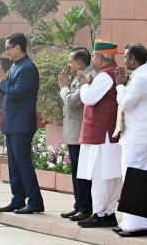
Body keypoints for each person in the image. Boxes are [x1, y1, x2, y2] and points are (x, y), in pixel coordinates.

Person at [0, 33, 44, 214]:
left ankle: (35, 201)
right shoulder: (15, 66)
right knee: (14, 164)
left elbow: (15, 93)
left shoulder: (28, 68)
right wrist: (3, 81)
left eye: (8, 48)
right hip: (12, 122)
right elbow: (7, 91)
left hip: (22, 124)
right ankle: (18, 199)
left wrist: (2, 80)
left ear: (17, 47)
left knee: (23, 163)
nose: (6, 51)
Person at [76, 39, 122, 228]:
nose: (93, 58)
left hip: (101, 134)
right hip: (109, 133)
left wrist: (83, 85)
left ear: (100, 58)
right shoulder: (113, 72)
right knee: (111, 176)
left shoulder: (105, 75)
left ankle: (100, 213)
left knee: (100, 175)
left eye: (94, 55)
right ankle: (109, 213)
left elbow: (89, 98)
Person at [113, 43, 147, 237]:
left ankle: (135, 224)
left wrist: (119, 85)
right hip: (136, 135)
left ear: (133, 58)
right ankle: (129, 221)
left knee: (132, 179)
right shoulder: (140, 74)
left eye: (126, 57)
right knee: (134, 178)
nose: (123, 60)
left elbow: (126, 104)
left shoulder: (142, 77)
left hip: (137, 136)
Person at [58, 48, 95, 221]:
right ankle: (79, 205)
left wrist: (64, 88)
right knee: (76, 172)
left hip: (81, 133)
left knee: (82, 173)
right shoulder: (80, 75)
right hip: (74, 133)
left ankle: (85, 208)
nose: (69, 64)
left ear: (80, 63)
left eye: (71, 61)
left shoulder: (88, 76)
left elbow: (73, 102)